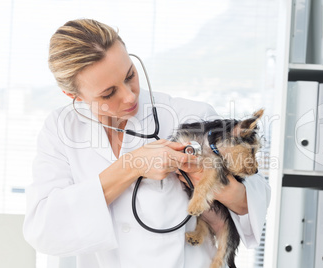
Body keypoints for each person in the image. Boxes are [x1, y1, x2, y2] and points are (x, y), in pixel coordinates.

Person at [23, 19, 271, 268]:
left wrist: (212, 181)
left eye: (130, 75)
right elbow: (43, 230)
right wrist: (132, 165)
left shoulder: (188, 115)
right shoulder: (61, 129)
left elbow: (254, 201)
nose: (130, 96)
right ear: (73, 95)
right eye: (108, 93)